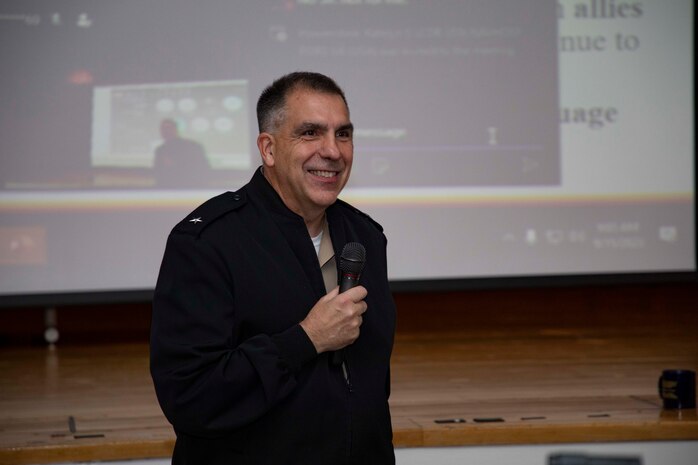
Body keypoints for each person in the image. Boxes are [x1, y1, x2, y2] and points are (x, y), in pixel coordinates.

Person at [150, 72, 396, 464]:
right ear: (268, 149)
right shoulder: (206, 244)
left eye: (343, 134)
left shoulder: (366, 237)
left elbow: (369, 387)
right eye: (311, 133)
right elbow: (190, 397)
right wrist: (306, 339)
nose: (333, 151)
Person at [153, 118, 209, 187]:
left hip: (191, 188)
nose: (166, 131)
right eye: (163, 129)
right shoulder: (160, 150)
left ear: (175, 129)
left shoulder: (192, 147)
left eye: (169, 128)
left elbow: (202, 169)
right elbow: (158, 173)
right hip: (167, 189)